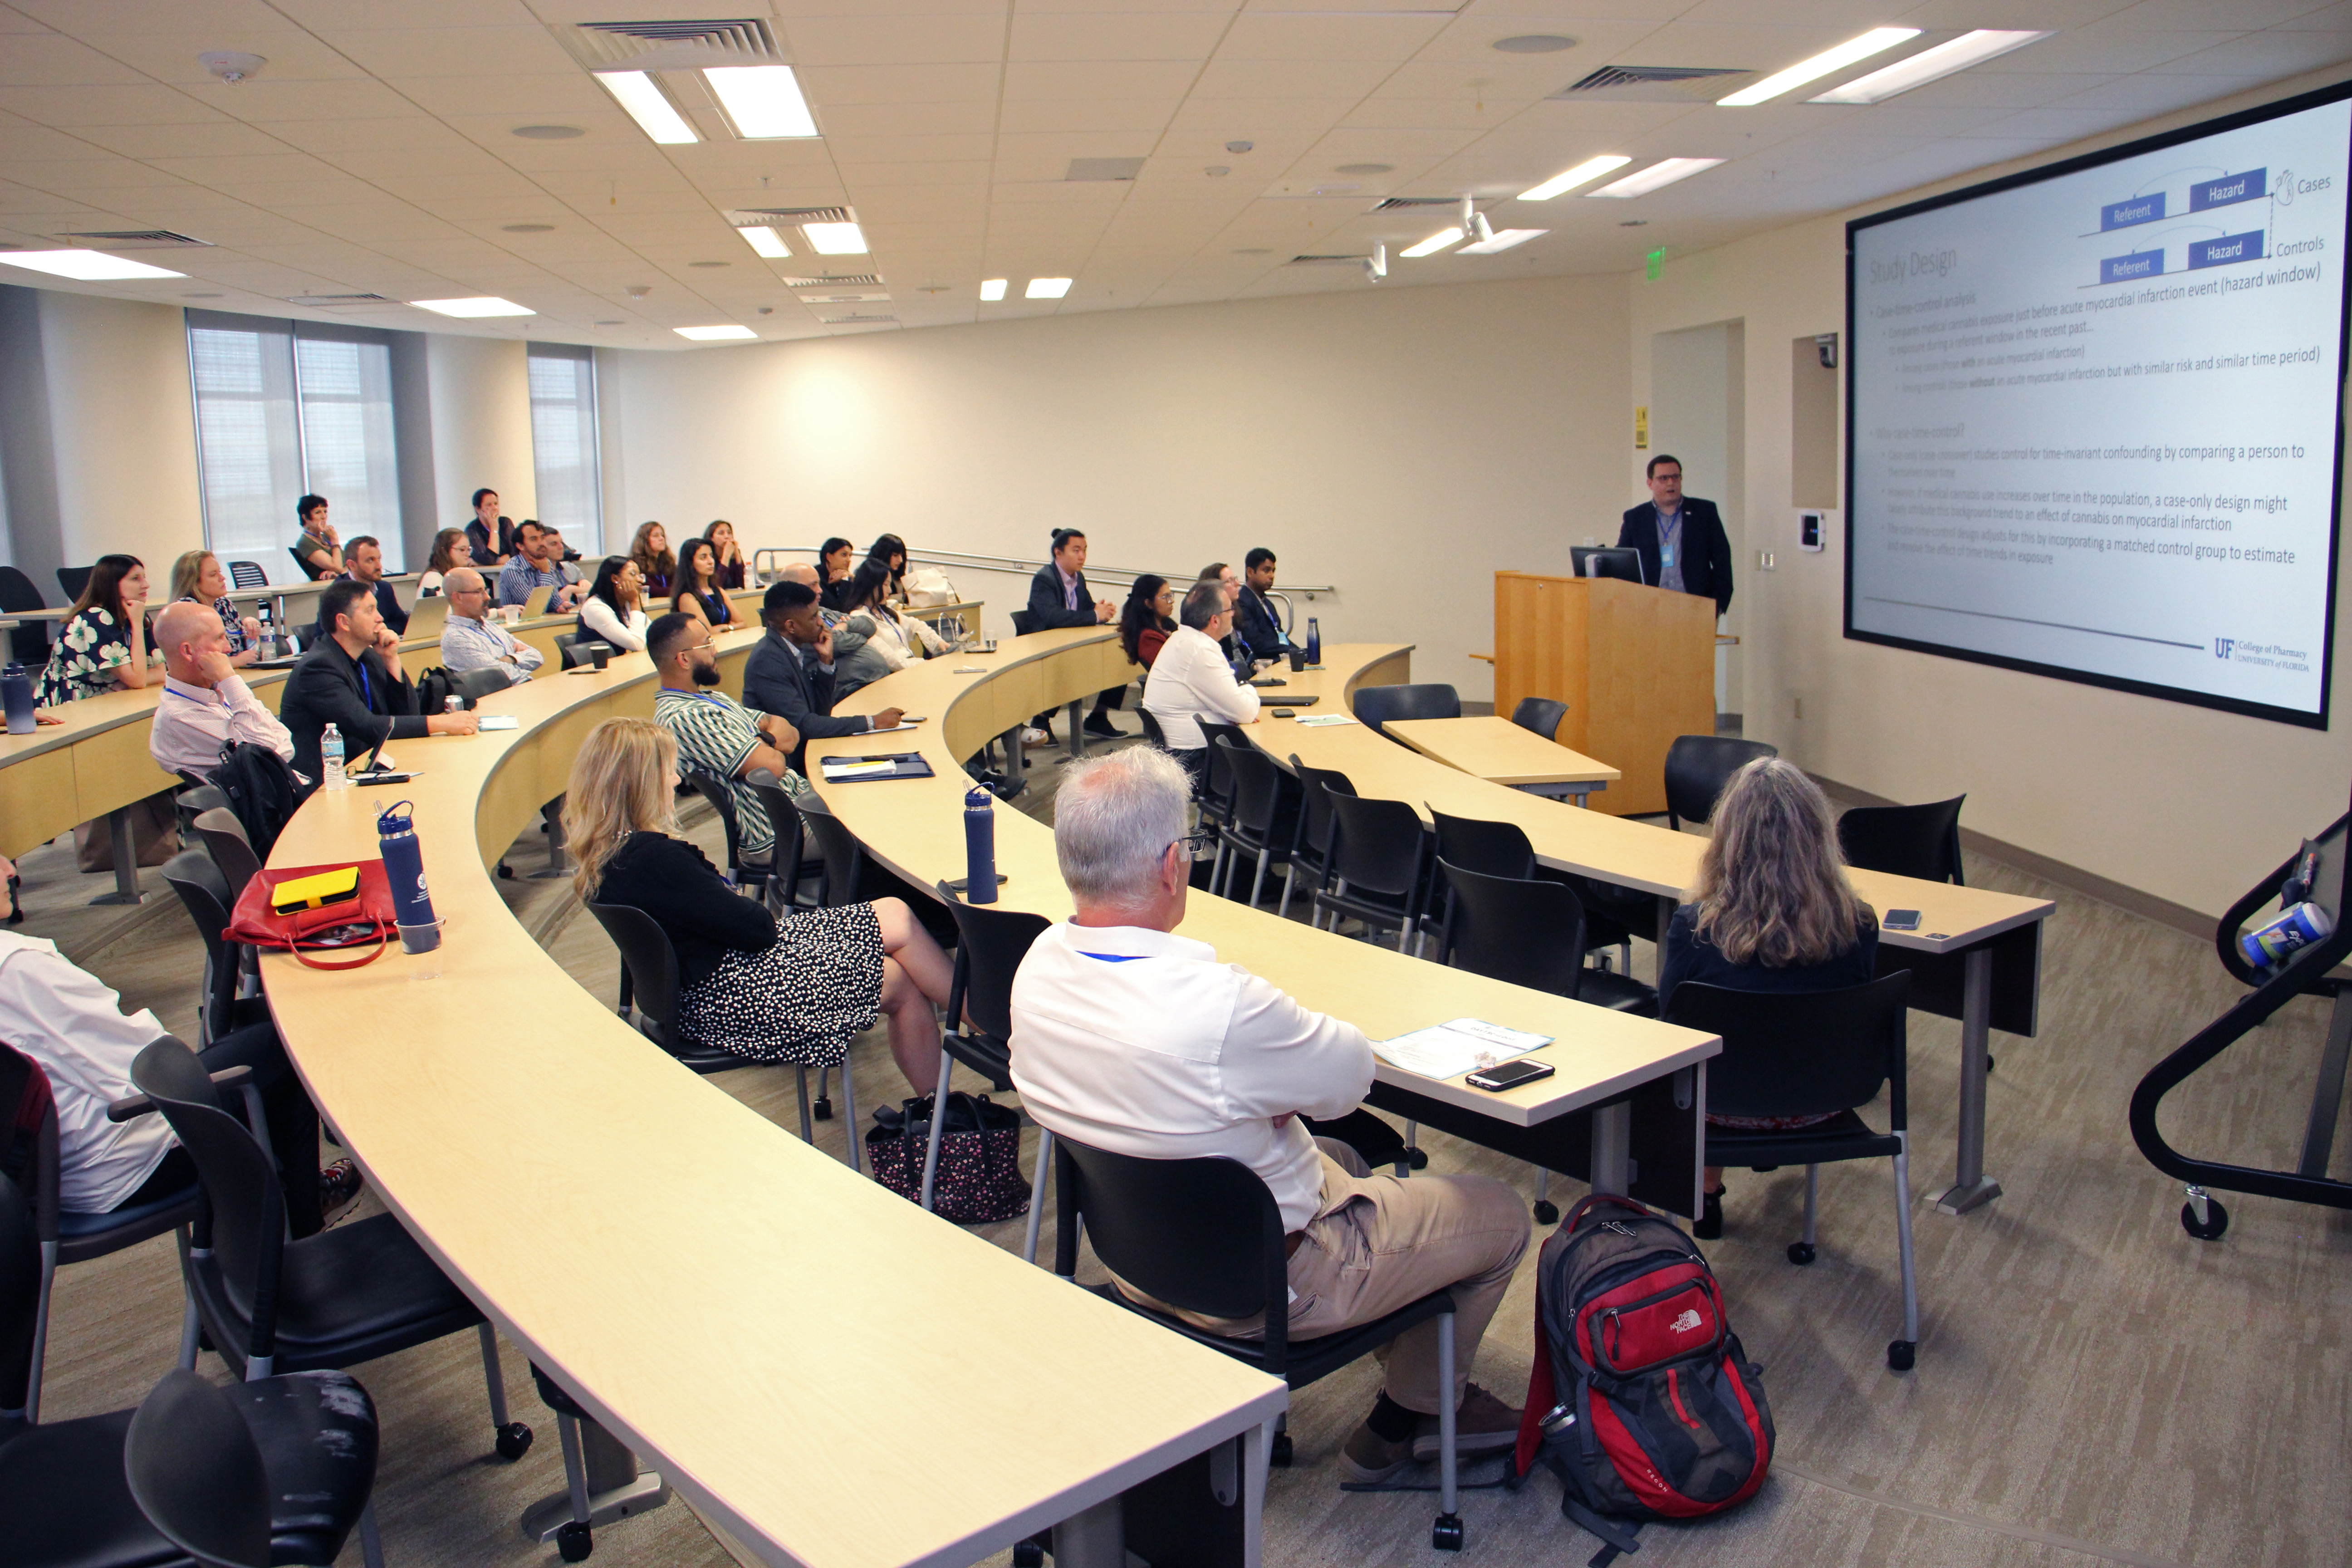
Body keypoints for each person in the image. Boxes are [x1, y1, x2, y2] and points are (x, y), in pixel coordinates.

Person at [1008, 746, 1529, 1480]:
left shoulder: (1036, 971)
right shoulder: (1221, 1007)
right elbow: (1348, 1078)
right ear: (1169, 865)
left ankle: (1405, 1353)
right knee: (1499, 1213)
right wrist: (1267, 1085)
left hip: (1136, 1260)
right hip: (1260, 1290)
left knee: (1342, 1163)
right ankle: (1415, 1418)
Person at [568, 717, 955, 1086]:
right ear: (641, 785)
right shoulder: (656, 858)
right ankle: (949, 1105)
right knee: (899, 979)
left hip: (709, 980)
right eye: (667, 771)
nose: (675, 780)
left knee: (896, 912)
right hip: (730, 997)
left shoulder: (606, 854)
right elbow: (756, 929)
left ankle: (974, 1053)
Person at [0, 930, 355, 1236]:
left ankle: (288, 1215)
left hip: (38, 1181)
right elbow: (140, 1066)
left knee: (254, 1048)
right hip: (126, 1162)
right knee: (286, 1044)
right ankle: (303, 1231)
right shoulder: (19, 967)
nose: (10, 871)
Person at [1658, 758, 1879, 1240]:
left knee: (1708, 1057)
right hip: (1822, 1100)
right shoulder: (1858, 925)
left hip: (1713, 1104)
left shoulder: (1696, 928)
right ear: (1819, 838)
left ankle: (1705, 1192)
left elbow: (1670, 1023)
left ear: (1727, 841)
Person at [279, 578, 479, 780]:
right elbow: (368, 726)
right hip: (325, 782)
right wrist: (443, 723)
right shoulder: (317, 669)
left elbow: (408, 714)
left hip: (364, 768)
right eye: (370, 611)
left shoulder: (369, 656)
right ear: (344, 622)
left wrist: (391, 659)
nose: (380, 618)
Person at [648, 611, 804, 863]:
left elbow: (789, 732)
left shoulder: (713, 699)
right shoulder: (685, 717)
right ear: (684, 659)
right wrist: (767, 745)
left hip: (798, 807)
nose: (715, 651)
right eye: (707, 644)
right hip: (778, 831)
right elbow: (774, 766)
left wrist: (764, 743)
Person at [742, 579, 902, 772]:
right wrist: (872, 722)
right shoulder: (768, 661)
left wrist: (826, 661)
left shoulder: (790, 649)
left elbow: (820, 714)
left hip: (811, 752)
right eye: (814, 617)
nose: (821, 623)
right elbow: (805, 725)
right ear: (791, 626)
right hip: (793, 768)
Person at [148, 600, 295, 776]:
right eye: (219, 638)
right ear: (188, 651)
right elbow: (267, 755)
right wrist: (229, 677)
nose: (229, 647)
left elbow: (285, 739)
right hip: (276, 801)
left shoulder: (214, 688)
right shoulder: (179, 716)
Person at [1142, 582, 1260, 787]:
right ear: (1214, 620)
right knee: (1275, 774)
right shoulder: (1199, 651)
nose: (1233, 613)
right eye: (1230, 609)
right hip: (1193, 762)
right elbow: (1245, 712)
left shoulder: (1184, 639)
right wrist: (1249, 688)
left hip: (1180, 754)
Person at [1024, 528, 1118, 744]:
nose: (1082, 556)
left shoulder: (1079, 578)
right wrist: (1094, 615)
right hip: (1044, 646)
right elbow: (1053, 617)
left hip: (1070, 643)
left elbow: (1084, 608)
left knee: (1119, 654)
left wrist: (1100, 610)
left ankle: (1099, 716)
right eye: (1076, 550)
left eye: (1084, 551)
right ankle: (1041, 719)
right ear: (1058, 552)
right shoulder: (1044, 580)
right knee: (1069, 665)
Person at [1617, 454, 1733, 617]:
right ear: (1650, 483)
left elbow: (1722, 559)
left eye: (1675, 477)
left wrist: (1718, 604)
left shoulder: (1704, 512)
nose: (1671, 483)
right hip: (1649, 610)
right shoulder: (1635, 518)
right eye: (1663, 478)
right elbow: (1624, 564)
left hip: (1696, 608)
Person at [35, 554, 155, 708]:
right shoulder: (96, 618)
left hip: (110, 696)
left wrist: (126, 683)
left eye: (144, 577)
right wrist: (137, 625)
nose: (146, 585)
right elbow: (138, 680)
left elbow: (160, 671)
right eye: (135, 578)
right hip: (72, 702)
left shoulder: (135, 611)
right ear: (112, 584)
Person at [440, 567, 545, 687]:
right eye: (479, 592)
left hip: (524, 690)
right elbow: (500, 676)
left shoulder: (490, 626)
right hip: (502, 699)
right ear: (458, 597)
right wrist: (520, 659)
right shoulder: (456, 638)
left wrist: (511, 659)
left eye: (486, 590)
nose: (487, 597)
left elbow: (537, 657)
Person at [168, 550, 262, 667]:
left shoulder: (223, 604)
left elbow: (248, 650)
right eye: (213, 575)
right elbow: (197, 663)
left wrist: (250, 629)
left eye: (220, 572)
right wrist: (237, 661)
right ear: (194, 582)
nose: (222, 578)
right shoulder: (187, 610)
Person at [497, 521, 588, 612]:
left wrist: (561, 606)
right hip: (523, 624)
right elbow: (535, 609)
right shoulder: (512, 570)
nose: (541, 543)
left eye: (542, 538)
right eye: (534, 539)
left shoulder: (544, 562)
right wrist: (545, 573)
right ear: (521, 546)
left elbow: (555, 602)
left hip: (544, 622)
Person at [334, 535, 409, 636]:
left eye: (379, 559)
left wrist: (383, 630)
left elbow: (402, 623)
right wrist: (373, 632)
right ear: (352, 565)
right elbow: (328, 636)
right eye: (371, 560)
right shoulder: (337, 594)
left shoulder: (384, 588)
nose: (379, 566)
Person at [1233, 548, 1293, 665]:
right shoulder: (1242, 602)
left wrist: (1301, 652)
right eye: (1266, 571)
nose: (1272, 576)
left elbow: (1279, 637)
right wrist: (1292, 652)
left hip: (1276, 658)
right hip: (1260, 663)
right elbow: (1257, 645)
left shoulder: (1268, 604)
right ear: (1250, 572)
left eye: (1273, 571)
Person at [578, 556, 650, 652]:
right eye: (633, 574)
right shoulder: (595, 608)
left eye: (640, 575)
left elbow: (653, 634)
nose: (640, 580)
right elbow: (637, 645)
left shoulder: (626, 602)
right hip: (595, 665)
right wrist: (635, 602)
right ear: (615, 578)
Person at [671, 537, 738, 629]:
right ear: (691, 563)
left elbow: (742, 623)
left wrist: (726, 628)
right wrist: (730, 626)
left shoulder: (718, 590)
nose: (711, 562)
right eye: (703, 557)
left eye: (711, 556)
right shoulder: (687, 597)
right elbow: (706, 632)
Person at [1120, 574, 1177, 673]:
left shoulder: (1167, 625)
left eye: (1171, 595)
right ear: (1149, 603)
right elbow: (1170, 669)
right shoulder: (1149, 638)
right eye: (1165, 597)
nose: (1171, 601)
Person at [465, 488, 515, 568]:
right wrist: (494, 529)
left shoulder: (505, 522)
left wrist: (499, 561)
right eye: (489, 505)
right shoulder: (472, 529)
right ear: (478, 509)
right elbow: (490, 560)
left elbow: (516, 552)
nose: (495, 508)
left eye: (496, 504)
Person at [292, 495, 338, 580]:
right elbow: (337, 567)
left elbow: (348, 564)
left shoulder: (326, 537)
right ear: (305, 517)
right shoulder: (305, 542)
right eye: (318, 513)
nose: (324, 516)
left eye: (325, 511)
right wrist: (335, 540)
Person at [418, 528, 471, 596]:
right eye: (462, 550)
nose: (468, 554)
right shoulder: (432, 578)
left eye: (469, 550)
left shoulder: (459, 577)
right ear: (446, 551)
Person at [630, 521, 676, 598]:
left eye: (662, 535)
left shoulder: (668, 562)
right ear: (645, 541)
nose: (662, 539)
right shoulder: (636, 564)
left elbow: (679, 583)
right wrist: (679, 591)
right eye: (656, 536)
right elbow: (654, 591)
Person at [816, 536, 857, 611]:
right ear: (829, 557)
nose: (849, 560)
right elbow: (842, 610)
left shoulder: (844, 576)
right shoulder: (817, 579)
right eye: (844, 555)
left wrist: (850, 578)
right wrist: (845, 579)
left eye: (850, 556)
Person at [867, 533, 910, 604]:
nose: (901, 560)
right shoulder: (869, 575)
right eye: (895, 555)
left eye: (902, 556)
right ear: (884, 554)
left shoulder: (898, 575)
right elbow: (875, 599)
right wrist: (904, 598)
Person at [705, 520, 747, 590]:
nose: (727, 537)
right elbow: (717, 586)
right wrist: (726, 556)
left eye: (729, 533)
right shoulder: (709, 557)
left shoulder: (733, 555)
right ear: (711, 538)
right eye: (721, 533)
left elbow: (743, 584)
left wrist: (737, 553)